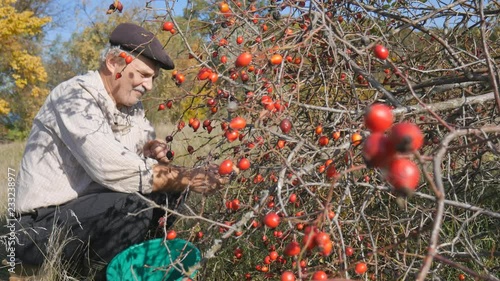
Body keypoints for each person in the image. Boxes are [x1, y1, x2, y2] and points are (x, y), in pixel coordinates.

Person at [12, 22, 226, 280]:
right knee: (136, 203)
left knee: (169, 192)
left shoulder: (130, 107)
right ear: (114, 63)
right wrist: (188, 176)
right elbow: (110, 168)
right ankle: (87, 273)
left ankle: (135, 269)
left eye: (153, 79)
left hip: (83, 211)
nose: (148, 86)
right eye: (143, 75)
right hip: (37, 228)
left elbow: (141, 146)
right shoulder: (73, 98)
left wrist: (151, 148)